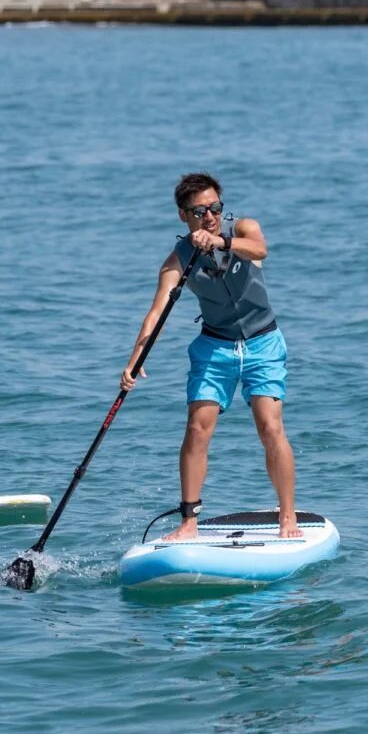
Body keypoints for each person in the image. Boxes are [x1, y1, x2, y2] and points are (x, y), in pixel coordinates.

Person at [121, 173, 302, 540]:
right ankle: (189, 522)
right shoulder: (177, 261)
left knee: (270, 426)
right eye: (199, 211)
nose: (209, 216)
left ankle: (287, 517)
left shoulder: (244, 228)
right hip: (214, 346)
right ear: (183, 216)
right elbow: (156, 312)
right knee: (197, 428)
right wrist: (136, 357)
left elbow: (260, 249)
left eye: (215, 208)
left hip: (262, 342)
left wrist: (221, 241)